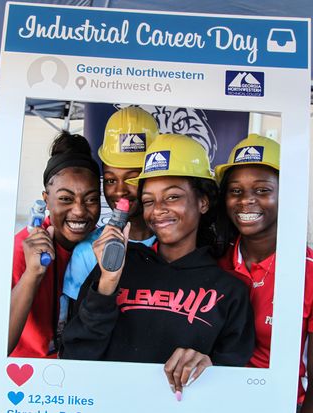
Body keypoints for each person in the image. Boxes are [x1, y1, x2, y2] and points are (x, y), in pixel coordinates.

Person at [60, 134, 255, 400]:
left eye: (172, 197)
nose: (158, 210)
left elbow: (235, 389)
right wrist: (107, 282)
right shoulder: (119, 267)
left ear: (203, 202)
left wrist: (210, 367)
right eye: (149, 201)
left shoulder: (230, 291)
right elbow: (75, 357)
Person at [0, 132, 101, 413]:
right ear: (46, 200)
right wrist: (33, 274)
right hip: (3, 382)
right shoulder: (17, 250)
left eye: (90, 199)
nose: (79, 211)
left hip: (59, 385)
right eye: (65, 198)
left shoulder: (98, 250)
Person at [214, 134, 313, 413]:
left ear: (287, 194)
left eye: (262, 190)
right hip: (211, 401)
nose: (246, 201)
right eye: (236, 190)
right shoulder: (214, 261)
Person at [61, 106, 159, 320]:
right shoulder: (87, 251)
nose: (120, 190)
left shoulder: (174, 245)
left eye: (133, 178)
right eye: (111, 179)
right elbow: (71, 329)